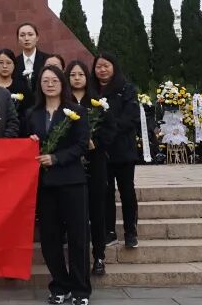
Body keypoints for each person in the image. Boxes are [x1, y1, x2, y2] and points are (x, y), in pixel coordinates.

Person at [25, 65, 91, 305]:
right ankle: (60, 286)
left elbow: (81, 145)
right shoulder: (32, 114)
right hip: (45, 185)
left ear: (62, 83)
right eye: (45, 80)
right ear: (40, 85)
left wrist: (56, 158)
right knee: (50, 238)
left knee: (78, 237)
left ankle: (81, 290)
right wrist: (30, 142)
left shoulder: (76, 111)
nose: (50, 84)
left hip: (72, 182)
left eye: (54, 80)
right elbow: (24, 143)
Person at [68, 60, 115, 276]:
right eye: (73, 75)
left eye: (80, 74)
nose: (77, 78)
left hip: (95, 162)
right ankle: (78, 258)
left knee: (97, 211)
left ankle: (99, 256)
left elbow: (110, 129)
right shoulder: (63, 102)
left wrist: (96, 142)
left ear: (87, 78)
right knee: (75, 214)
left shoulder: (98, 102)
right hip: (71, 164)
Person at [89, 51, 140, 249]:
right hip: (101, 150)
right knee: (105, 192)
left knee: (127, 191)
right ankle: (109, 231)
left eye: (106, 66)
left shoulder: (126, 89)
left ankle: (130, 231)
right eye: (98, 66)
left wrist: (109, 130)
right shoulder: (92, 90)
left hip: (123, 149)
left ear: (114, 67)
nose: (102, 70)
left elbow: (131, 118)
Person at [0, 48, 32, 120]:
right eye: (1, 62)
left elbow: (28, 111)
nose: (4, 66)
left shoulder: (22, 87)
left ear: (14, 65)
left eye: (8, 63)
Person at [15, 22, 50, 94]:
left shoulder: (47, 60)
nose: (26, 38)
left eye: (30, 34)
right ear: (18, 40)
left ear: (37, 38)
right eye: (22, 35)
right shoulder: (14, 62)